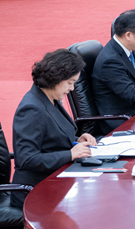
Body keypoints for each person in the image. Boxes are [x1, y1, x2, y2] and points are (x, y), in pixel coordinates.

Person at [11, 49, 97, 208]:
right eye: (70, 82)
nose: (72, 89)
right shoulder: (32, 109)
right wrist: (70, 154)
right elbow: (27, 159)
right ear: (56, 77)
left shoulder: (50, 98)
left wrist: (76, 140)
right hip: (34, 191)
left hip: (55, 180)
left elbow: (51, 139)